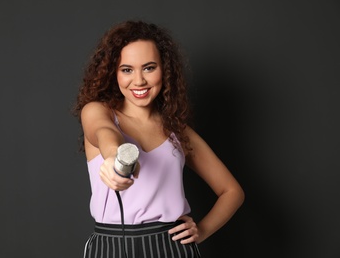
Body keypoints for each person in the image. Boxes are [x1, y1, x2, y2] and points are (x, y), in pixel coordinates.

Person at [73, 20, 244, 258]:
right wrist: (115, 158)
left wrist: (201, 230)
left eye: (149, 67)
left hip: (171, 247)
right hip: (112, 247)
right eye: (127, 69)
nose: (139, 80)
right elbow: (104, 132)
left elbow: (232, 191)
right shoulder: (97, 111)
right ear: (113, 73)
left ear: (165, 70)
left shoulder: (177, 131)